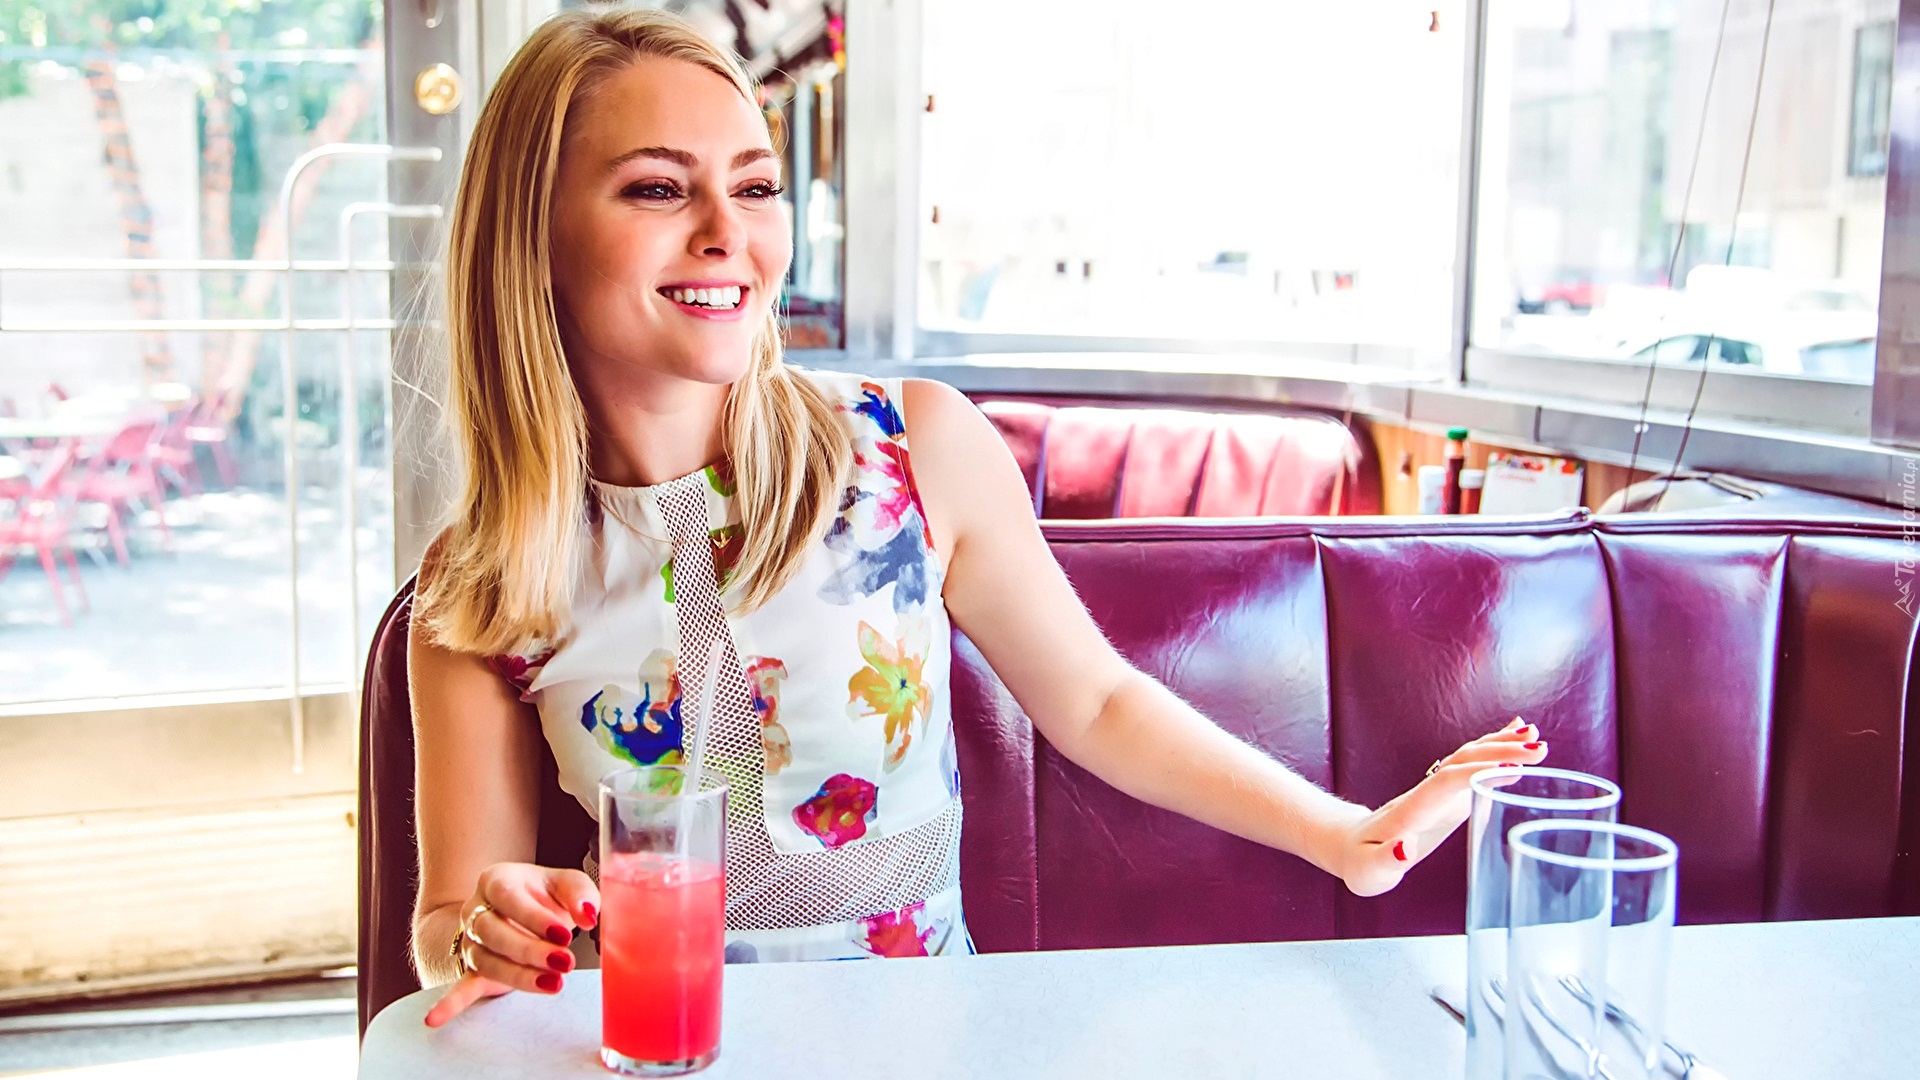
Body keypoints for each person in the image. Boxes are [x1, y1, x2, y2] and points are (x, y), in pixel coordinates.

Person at [409, 7, 1548, 1028]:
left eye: (755, 187)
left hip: (918, 1042)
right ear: (533, 231)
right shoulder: (486, 578)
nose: (726, 231)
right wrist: (481, 935)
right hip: (644, 1055)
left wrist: (1342, 835)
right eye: (658, 189)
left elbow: (1098, 703)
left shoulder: (910, 447)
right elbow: (448, 919)